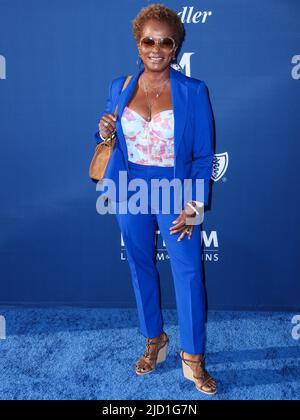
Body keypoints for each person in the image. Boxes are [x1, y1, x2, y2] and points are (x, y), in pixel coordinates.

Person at [95, 3, 216, 396]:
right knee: (140, 266)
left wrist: (194, 205)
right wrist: (104, 130)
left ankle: (193, 357)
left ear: (176, 47)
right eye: (149, 40)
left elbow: (201, 156)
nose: (157, 48)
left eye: (166, 41)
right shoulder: (120, 86)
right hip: (130, 188)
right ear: (138, 42)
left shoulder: (193, 91)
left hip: (175, 190)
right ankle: (154, 340)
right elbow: (109, 141)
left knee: (188, 273)